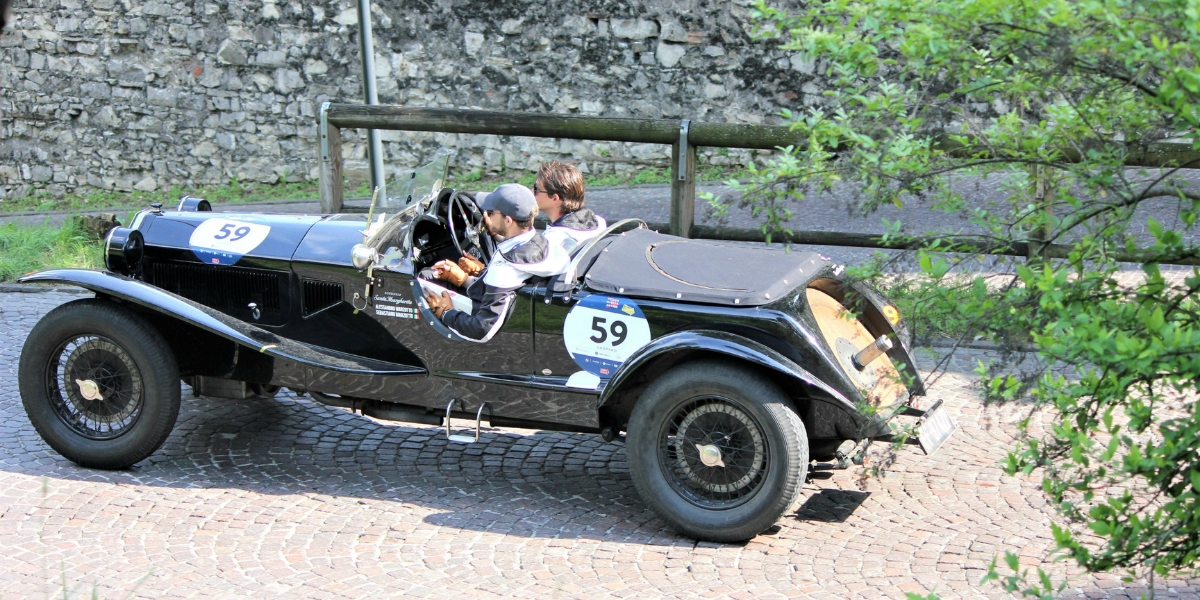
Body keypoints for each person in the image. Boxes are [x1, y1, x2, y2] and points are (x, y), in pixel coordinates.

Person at [422, 183, 568, 342]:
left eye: (491, 213)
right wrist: (464, 280)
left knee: (424, 278)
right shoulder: (538, 242)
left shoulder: (505, 269)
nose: (487, 216)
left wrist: (446, 312)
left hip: (501, 342)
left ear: (509, 220)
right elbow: (506, 288)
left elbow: (482, 330)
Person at [534, 161, 606, 253]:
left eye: (537, 189)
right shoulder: (599, 222)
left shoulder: (552, 240)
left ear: (555, 198)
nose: (531, 191)